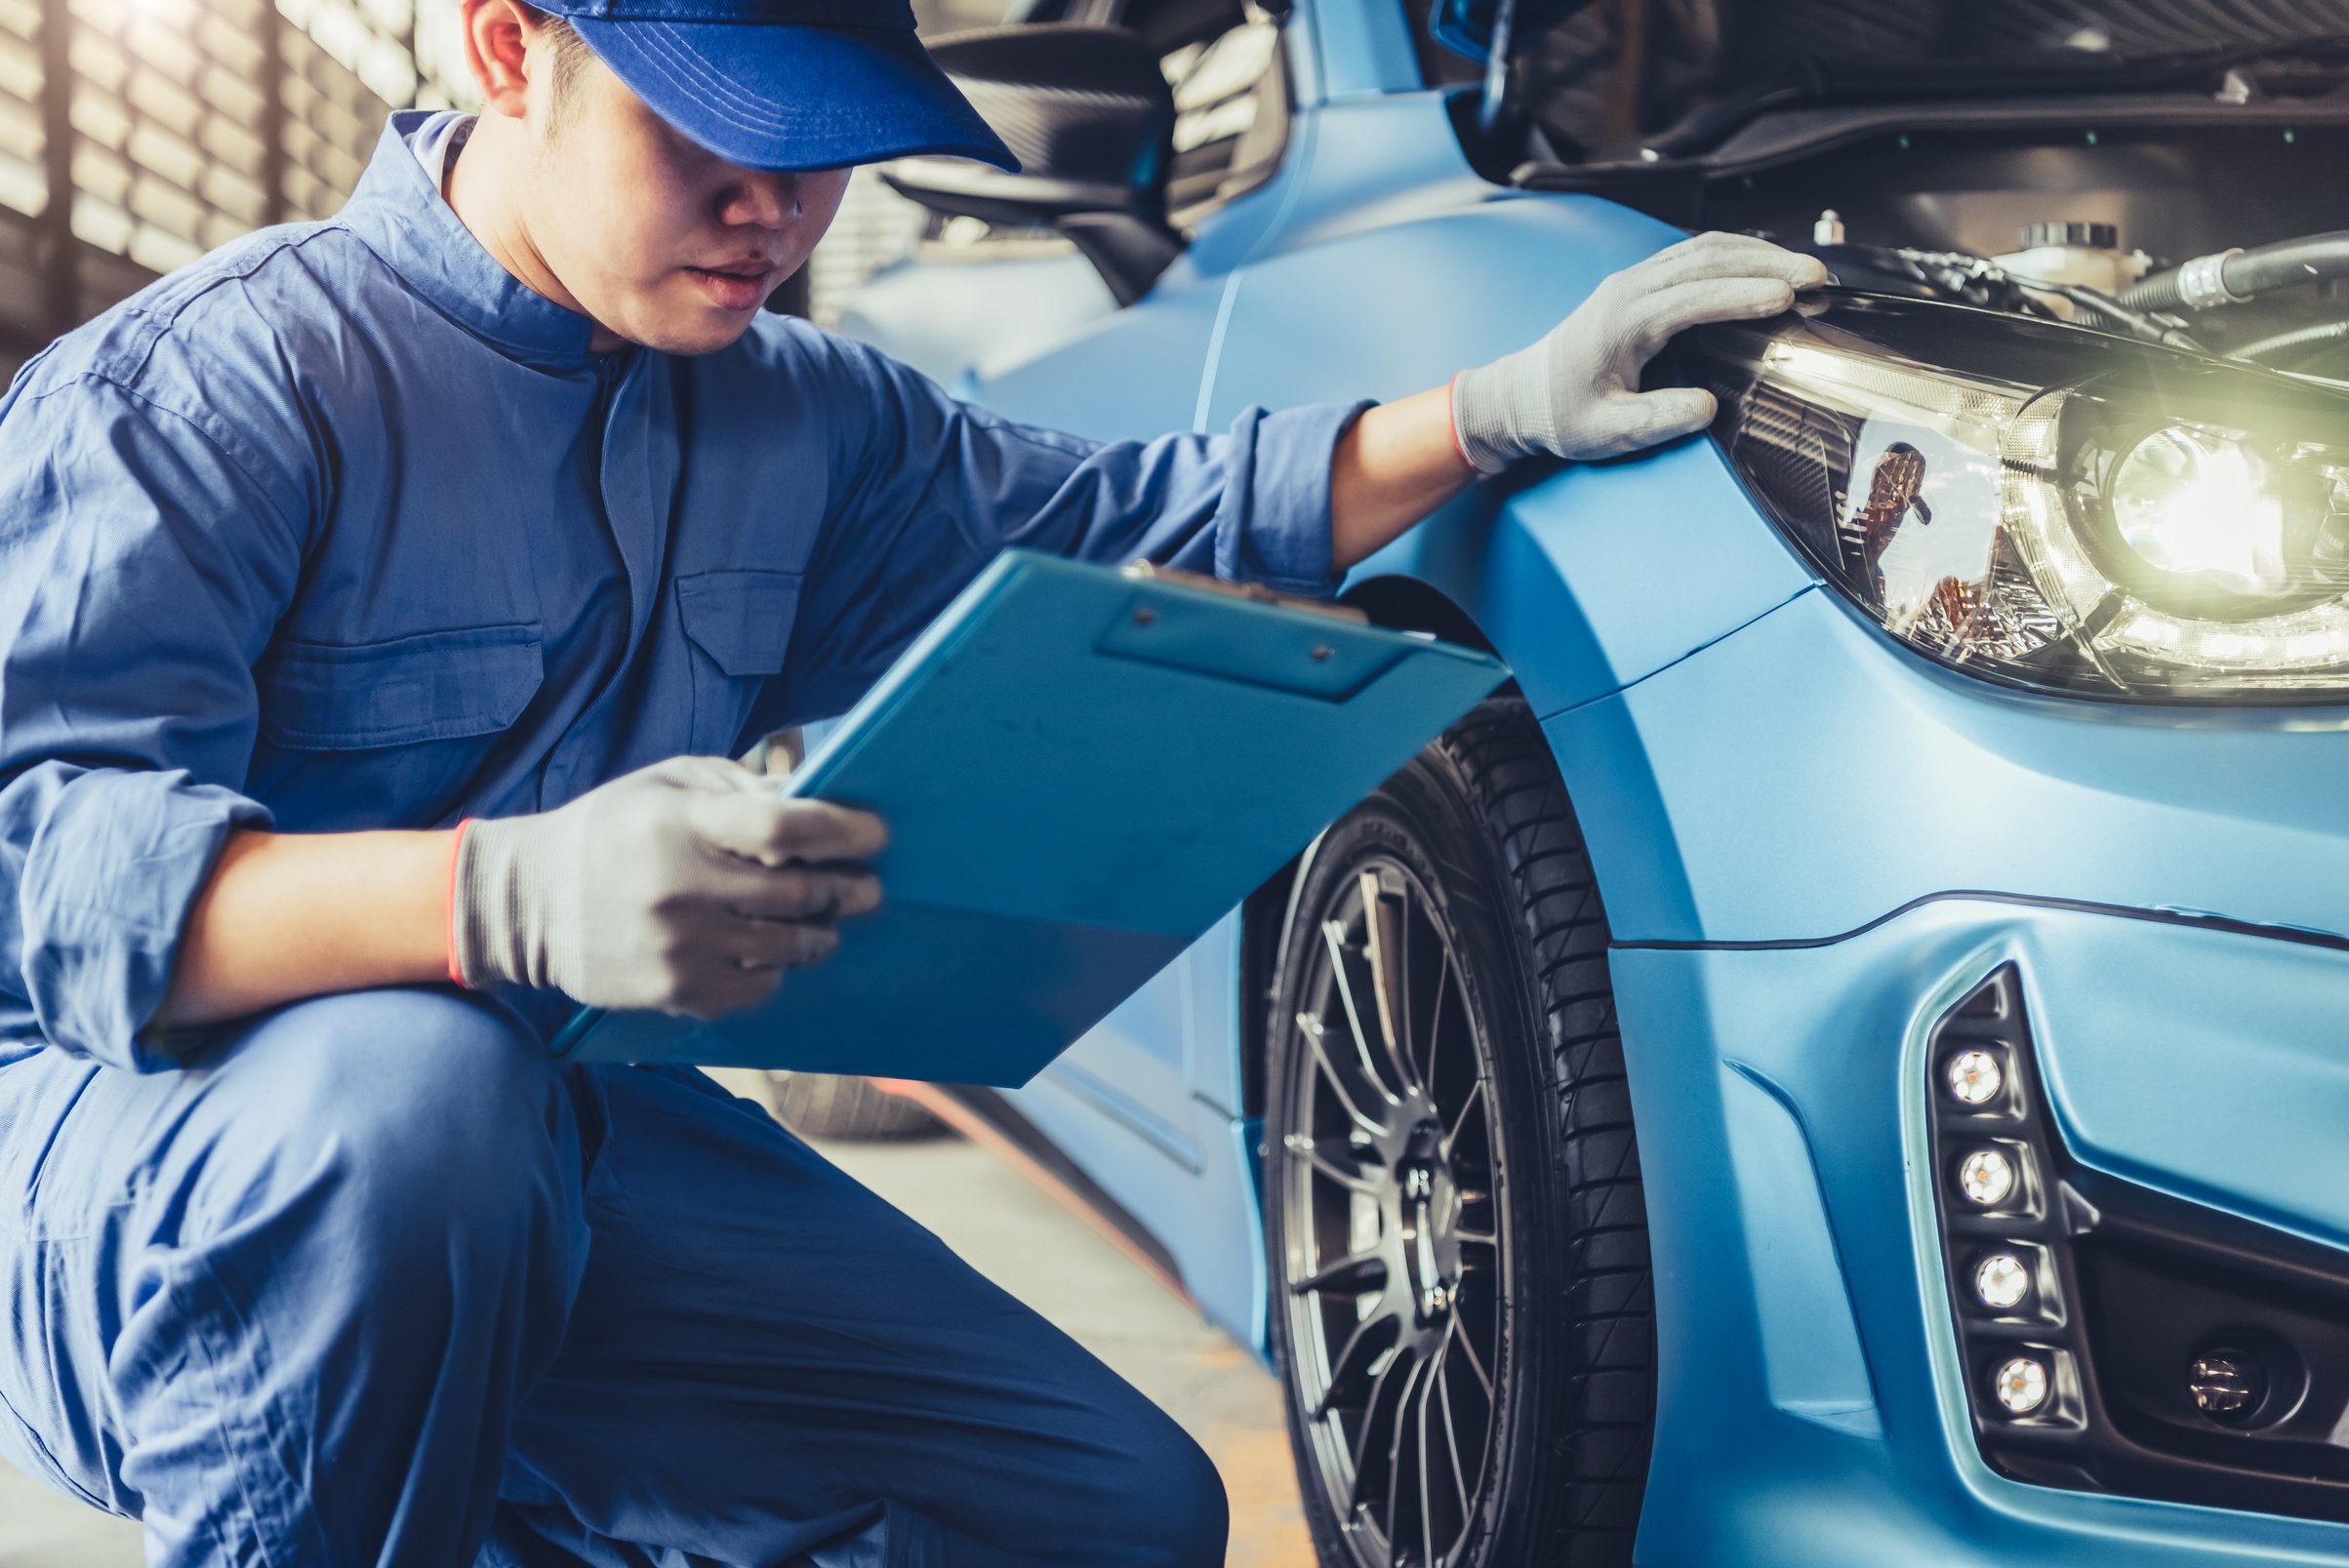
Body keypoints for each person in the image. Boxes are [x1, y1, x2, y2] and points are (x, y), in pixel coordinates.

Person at [0, 1, 1825, 1562]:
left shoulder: (805, 416)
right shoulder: (214, 390)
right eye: (713, 130)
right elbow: (50, 882)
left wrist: (1494, 410)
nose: (774, 207)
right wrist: (498, 897)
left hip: (573, 1131)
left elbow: (1134, 526)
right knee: (418, 1087)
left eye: (824, 149)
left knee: (1104, 1511)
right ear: (508, 49)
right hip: (172, 1163)